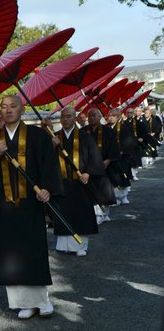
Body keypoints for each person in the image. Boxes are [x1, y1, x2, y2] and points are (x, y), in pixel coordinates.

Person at [0, 94, 63, 320]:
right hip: (5, 208)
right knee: (11, 255)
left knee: (34, 252)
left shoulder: (38, 136)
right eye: (4, 107)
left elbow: (49, 166)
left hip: (30, 205)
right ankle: (22, 303)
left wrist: (47, 190)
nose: (8, 110)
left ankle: (41, 301)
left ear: (22, 110)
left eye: (13, 106)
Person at [51, 106, 104, 256]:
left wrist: (88, 173)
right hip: (62, 183)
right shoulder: (55, 137)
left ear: (75, 118)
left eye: (68, 116)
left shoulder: (85, 136)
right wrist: (52, 146)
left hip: (80, 182)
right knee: (63, 214)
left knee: (80, 214)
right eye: (63, 117)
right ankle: (63, 245)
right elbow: (47, 160)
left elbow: (95, 158)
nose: (65, 120)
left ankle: (80, 246)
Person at [84, 107, 118, 222]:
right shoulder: (83, 131)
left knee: (105, 191)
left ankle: (105, 213)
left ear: (100, 117)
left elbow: (114, 146)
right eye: (90, 116)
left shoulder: (108, 131)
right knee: (92, 190)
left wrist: (108, 159)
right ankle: (96, 214)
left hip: (104, 165)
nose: (92, 118)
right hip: (88, 166)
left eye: (94, 115)